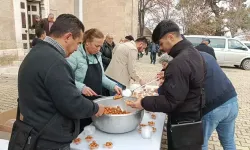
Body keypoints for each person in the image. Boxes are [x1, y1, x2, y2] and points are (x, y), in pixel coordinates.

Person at [8, 14, 105, 150]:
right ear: (68, 37)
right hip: (48, 139)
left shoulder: (36, 52)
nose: (77, 48)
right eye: (78, 43)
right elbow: (71, 103)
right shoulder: (55, 62)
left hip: (34, 131)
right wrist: (95, 108)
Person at [128, 20, 205, 150]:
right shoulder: (193, 52)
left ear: (170, 37)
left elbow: (171, 101)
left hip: (182, 120)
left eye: (161, 43)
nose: (161, 48)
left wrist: (143, 102)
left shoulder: (179, 62)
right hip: (193, 115)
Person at [67, 28, 122, 131]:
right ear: (87, 43)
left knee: (95, 128)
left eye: (101, 46)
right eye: (97, 46)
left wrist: (113, 86)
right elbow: (65, 80)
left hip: (96, 101)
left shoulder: (98, 56)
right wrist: (81, 87)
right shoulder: (74, 56)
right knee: (82, 130)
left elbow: (102, 77)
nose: (99, 49)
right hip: (81, 102)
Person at [199, 52, 238, 150]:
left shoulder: (189, 60)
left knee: (201, 143)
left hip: (214, 107)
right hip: (232, 100)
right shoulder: (207, 56)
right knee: (229, 141)